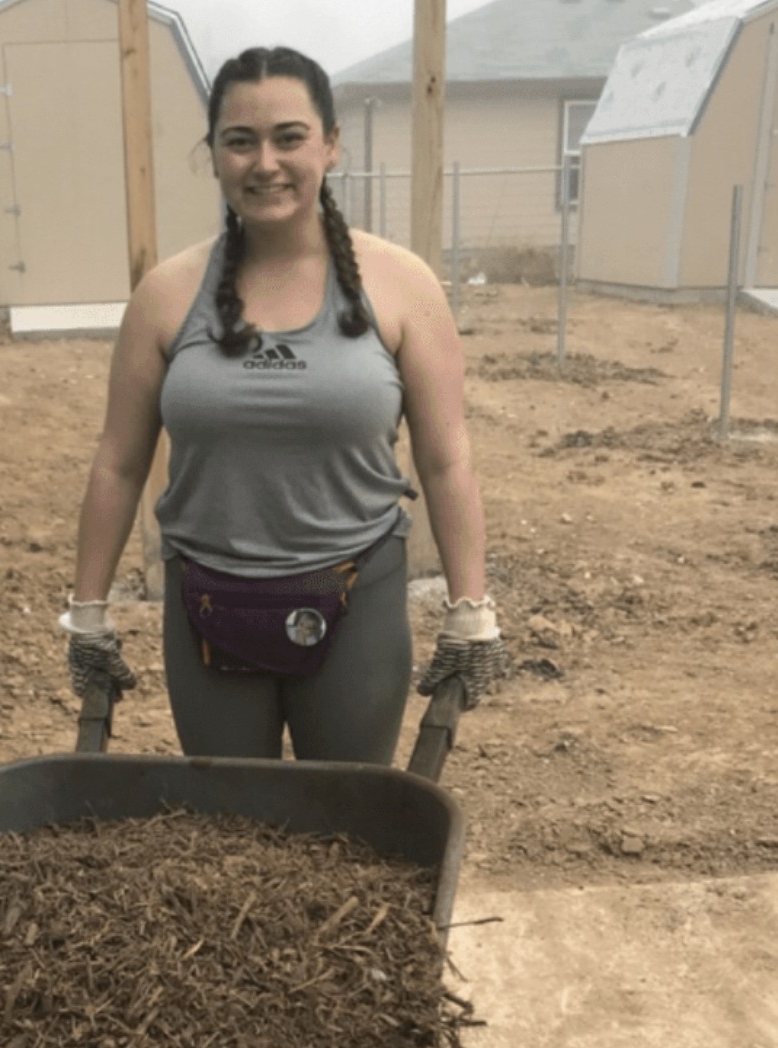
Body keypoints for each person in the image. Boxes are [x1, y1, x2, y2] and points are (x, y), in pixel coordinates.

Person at [60, 46, 509, 765]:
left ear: (330, 146)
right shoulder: (166, 297)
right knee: (233, 825)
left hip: (356, 596)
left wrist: (470, 609)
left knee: (349, 823)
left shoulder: (400, 285)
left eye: (289, 137)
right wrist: (87, 613)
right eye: (240, 141)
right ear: (214, 156)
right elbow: (118, 461)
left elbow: (446, 455)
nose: (264, 162)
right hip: (206, 606)